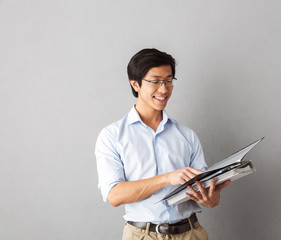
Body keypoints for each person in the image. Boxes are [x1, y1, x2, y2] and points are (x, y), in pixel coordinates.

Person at [95, 48, 231, 240]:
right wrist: (167, 178)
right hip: (142, 235)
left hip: (191, 234)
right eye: (155, 81)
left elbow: (210, 199)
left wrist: (211, 198)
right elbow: (115, 196)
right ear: (135, 84)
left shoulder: (187, 135)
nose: (164, 89)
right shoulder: (112, 136)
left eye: (168, 80)